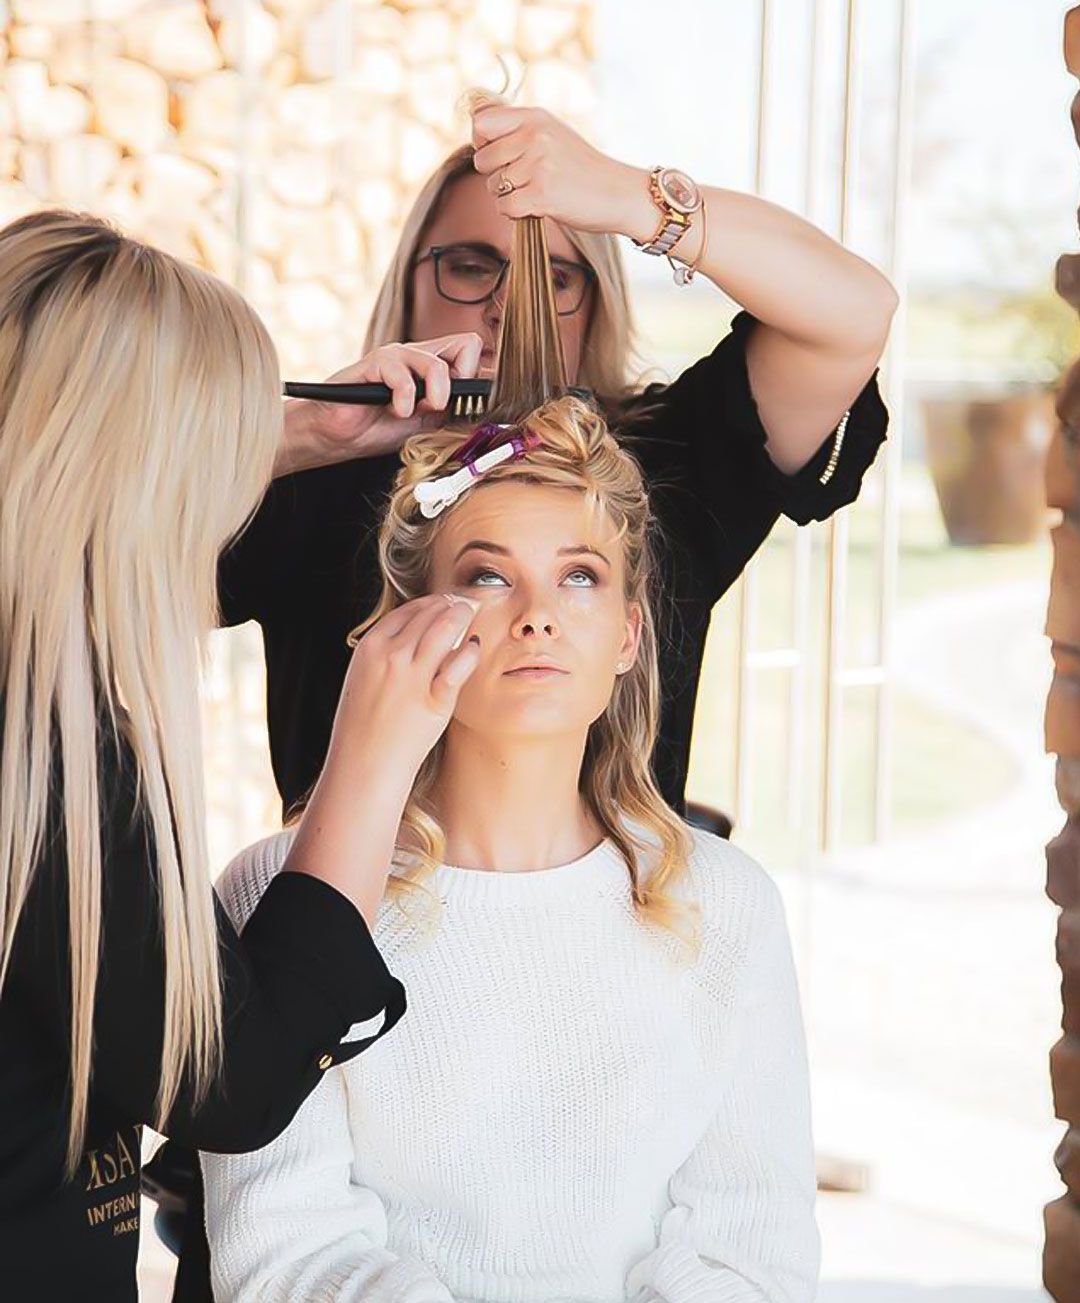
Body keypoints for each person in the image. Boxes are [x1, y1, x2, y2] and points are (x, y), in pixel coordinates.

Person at [201, 397, 820, 1303]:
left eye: (579, 577)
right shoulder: (280, 894)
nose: (538, 615)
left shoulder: (723, 903)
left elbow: (752, 1253)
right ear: (414, 622)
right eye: (489, 576)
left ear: (628, 634)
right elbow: (284, 1253)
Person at [0, 211, 486, 1301]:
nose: (230, 511)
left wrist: (304, 432)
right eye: (217, 458)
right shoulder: (41, 744)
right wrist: (373, 748)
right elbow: (228, 1076)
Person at [218, 99, 896, 825]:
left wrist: (631, 198)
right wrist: (303, 438)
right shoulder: (308, 480)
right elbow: (91, 555)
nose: (510, 305)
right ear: (409, 282)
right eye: (471, 266)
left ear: (598, 305)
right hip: (338, 925)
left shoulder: (664, 471)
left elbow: (854, 312)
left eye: (557, 278)